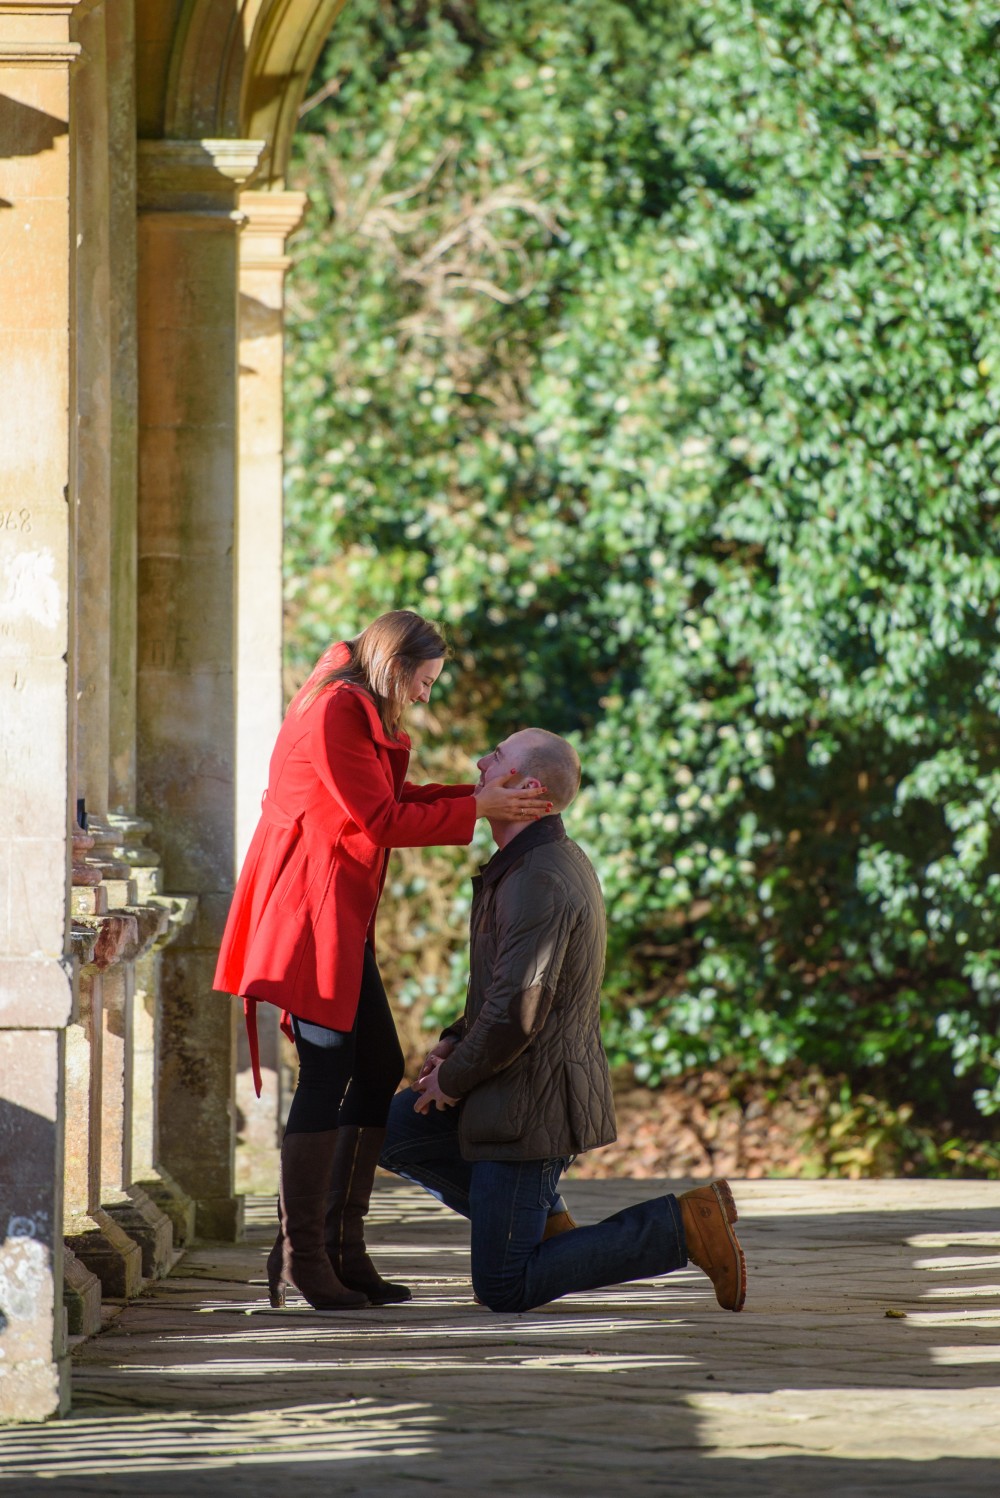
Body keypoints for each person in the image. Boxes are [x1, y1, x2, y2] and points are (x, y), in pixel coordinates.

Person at [213, 611, 551, 1312]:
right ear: (396, 667)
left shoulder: (356, 698)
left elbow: (386, 802)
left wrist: (476, 803)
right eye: (424, 682)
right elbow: (384, 822)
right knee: (329, 1071)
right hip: (305, 916)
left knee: (377, 1066)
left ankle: (343, 1247)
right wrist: (479, 807)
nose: (426, 697)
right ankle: (306, 1257)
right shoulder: (338, 709)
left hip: (336, 913)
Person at [380, 727, 748, 1314]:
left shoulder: (540, 877)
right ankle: (538, 1223)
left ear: (528, 790)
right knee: (393, 1129)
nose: (478, 762)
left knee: (505, 1285)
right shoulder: (523, 865)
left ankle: (681, 1225)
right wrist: (454, 1041)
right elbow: (499, 996)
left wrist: (451, 1081)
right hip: (505, 1088)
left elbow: (517, 1015)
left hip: (530, 1109)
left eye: (495, 758)